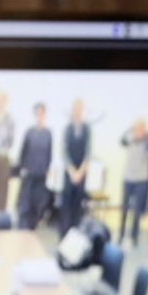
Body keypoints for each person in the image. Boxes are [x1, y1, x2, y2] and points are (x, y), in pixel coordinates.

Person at [15, 102, 52, 230]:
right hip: (29, 173)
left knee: (38, 204)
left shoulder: (48, 133)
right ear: (35, 115)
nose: (40, 116)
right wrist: (22, 168)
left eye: (42, 113)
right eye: (38, 114)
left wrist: (48, 169)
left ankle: (32, 227)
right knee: (25, 205)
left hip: (41, 174)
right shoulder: (29, 132)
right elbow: (22, 152)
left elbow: (49, 153)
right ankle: (22, 229)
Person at [56, 98, 92, 233]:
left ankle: (76, 234)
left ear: (82, 110)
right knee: (66, 205)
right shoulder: (67, 128)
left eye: (79, 109)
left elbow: (88, 151)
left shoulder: (87, 128)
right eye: (75, 109)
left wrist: (81, 171)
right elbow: (64, 152)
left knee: (78, 204)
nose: (77, 111)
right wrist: (72, 172)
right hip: (69, 172)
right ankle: (64, 234)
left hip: (81, 172)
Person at [118, 117, 148, 245]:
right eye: (136, 128)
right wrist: (130, 129)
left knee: (137, 210)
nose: (138, 131)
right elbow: (121, 140)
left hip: (142, 180)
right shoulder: (130, 139)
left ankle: (134, 236)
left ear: (144, 130)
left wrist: (146, 136)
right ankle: (121, 234)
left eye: (140, 128)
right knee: (124, 208)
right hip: (128, 178)